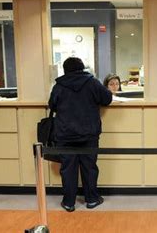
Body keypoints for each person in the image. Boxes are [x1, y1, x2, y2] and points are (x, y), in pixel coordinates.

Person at [48, 57, 112, 212]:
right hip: (88, 133)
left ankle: (69, 202)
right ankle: (91, 199)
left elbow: (52, 105)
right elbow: (107, 98)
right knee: (89, 167)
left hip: (65, 134)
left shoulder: (59, 85)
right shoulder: (92, 82)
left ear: (65, 69)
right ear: (82, 68)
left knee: (68, 168)